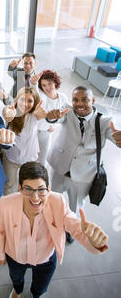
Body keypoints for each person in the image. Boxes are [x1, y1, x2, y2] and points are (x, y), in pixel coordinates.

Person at [0, 161, 109, 298]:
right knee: (16, 278)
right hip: (16, 257)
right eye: (28, 189)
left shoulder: (58, 202)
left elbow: (75, 227)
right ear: (20, 188)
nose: (35, 197)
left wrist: (93, 242)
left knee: (41, 284)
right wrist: (0, 255)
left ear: (48, 189)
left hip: (45, 259)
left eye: (41, 190)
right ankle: (17, 291)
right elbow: (0, 230)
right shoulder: (5, 204)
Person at [47, 86, 121, 225]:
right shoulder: (67, 111)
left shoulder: (104, 121)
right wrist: (51, 117)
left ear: (93, 100)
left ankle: (72, 228)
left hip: (83, 173)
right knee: (54, 198)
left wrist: (118, 138)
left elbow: (114, 134)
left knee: (75, 206)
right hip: (59, 167)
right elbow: (56, 118)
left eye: (84, 100)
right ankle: (54, 222)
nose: (79, 104)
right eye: (75, 99)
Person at [1, 87, 56, 196]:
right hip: (11, 157)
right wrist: (8, 113)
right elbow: (6, 112)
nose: (25, 104)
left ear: (34, 103)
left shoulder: (34, 115)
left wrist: (52, 121)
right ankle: (8, 207)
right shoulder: (11, 110)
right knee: (9, 185)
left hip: (29, 158)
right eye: (22, 99)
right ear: (17, 100)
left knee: (25, 187)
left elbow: (48, 117)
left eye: (30, 101)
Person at [32, 70, 69, 166]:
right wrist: (34, 83)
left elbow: (63, 117)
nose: (47, 87)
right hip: (33, 131)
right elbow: (34, 92)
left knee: (42, 159)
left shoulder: (63, 98)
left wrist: (55, 126)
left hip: (46, 132)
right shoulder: (41, 95)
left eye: (49, 83)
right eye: (44, 85)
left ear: (55, 82)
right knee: (31, 157)